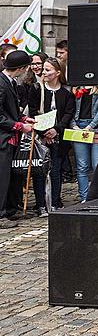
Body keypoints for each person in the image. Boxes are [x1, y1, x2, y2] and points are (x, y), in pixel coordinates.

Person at [28, 57, 74, 210]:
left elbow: (68, 113)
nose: (44, 72)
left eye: (48, 70)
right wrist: (43, 133)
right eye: (44, 69)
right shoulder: (36, 89)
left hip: (59, 137)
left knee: (56, 170)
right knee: (39, 171)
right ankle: (41, 204)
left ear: (58, 72)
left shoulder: (66, 92)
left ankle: (54, 201)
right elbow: (34, 112)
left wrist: (56, 130)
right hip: (41, 136)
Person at [0, 51, 33, 228]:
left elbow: (9, 111)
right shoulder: (1, 83)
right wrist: (20, 126)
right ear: (20, 68)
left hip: (11, 138)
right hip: (3, 140)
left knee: (12, 177)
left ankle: (10, 210)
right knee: (2, 178)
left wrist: (22, 118)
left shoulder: (9, 82)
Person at [71, 85, 98, 203]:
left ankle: (97, 195)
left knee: (97, 164)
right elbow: (69, 109)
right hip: (78, 126)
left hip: (95, 127)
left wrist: (91, 126)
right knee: (82, 165)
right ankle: (84, 197)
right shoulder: (75, 89)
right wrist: (74, 126)